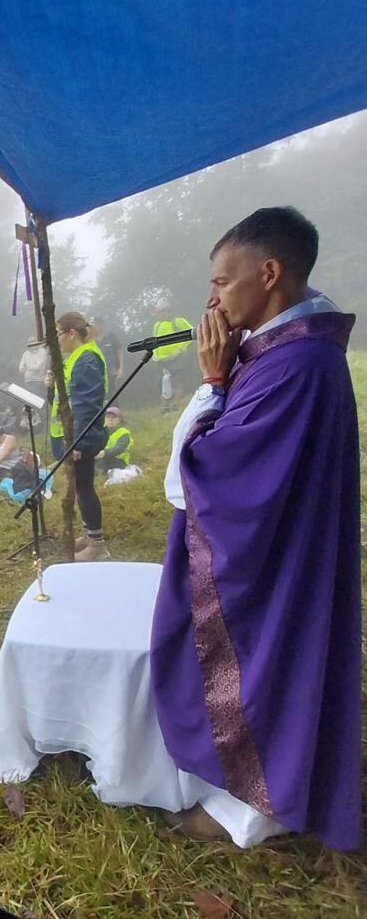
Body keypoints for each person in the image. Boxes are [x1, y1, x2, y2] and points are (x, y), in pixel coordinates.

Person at [150, 207, 361, 849]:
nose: (210, 298)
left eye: (221, 281)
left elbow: (194, 475)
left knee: (268, 659)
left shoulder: (294, 367)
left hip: (273, 559)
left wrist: (214, 381)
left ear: (269, 273)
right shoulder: (287, 353)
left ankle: (253, 810)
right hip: (282, 546)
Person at [51, 311, 109, 560]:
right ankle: (88, 533)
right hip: (73, 433)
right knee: (80, 485)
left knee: (84, 487)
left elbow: (86, 405)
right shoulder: (77, 357)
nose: (56, 340)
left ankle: (97, 544)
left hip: (82, 435)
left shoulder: (86, 360)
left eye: (58, 334)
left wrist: (79, 441)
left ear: (72, 333)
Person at [152, 301, 194, 408]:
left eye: (166, 311)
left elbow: (192, 334)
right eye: (160, 311)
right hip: (160, 359)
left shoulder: (178, 321)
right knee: (162, 382)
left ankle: (176, 405)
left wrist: (180, 349)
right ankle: (165, 406)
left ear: (170, 311)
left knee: (177, 381)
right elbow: (154, 341)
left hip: (176, 358)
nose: (163, 314)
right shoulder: (157, 325)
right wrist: (153, 354)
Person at [99, 406, 134, 475]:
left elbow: (119, 448)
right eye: (108, 417)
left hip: (120, 461)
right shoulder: (101, 431)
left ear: (119, 420)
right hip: (103, 458)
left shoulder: (124, 433)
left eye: (113, 417)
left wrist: (104, 453)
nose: (110, 419)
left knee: (101, 463)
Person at [91, 316, 125, 385]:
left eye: (95, 323)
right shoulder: (91, 341)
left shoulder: (110, 336)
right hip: (97, 376)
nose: (93, 326)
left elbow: (119, 351)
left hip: (112, 373)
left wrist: (121, 368)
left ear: (101, 324)